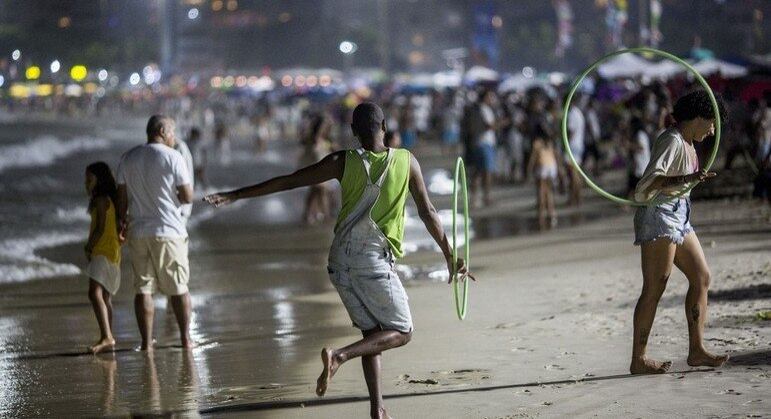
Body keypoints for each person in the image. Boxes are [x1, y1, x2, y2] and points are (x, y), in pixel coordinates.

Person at [204, 103, 473, 419]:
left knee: (372, 334)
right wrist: (449, 255)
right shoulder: (406, 161)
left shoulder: (342, 161)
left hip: (339, 261)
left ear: (354, 133)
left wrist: (235, 195)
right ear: (384, 126)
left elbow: (288, 180)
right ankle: (339, 356)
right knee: (402, 330)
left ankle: (378, 409)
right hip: (371, 260)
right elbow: (428, 212)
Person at [630, 90, 729, 374]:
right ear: (698, 117)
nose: (712, 131)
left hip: (679, 215)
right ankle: (638, 358)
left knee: (702, 277)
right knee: (655, 286)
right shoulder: (671, 140)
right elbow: (646, 184)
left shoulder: (688, 142)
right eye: (712, 123)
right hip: (658, 216)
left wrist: (688, 180)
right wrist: (687, 178)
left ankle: (697, 350)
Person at [117, 115, 195, 351]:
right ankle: (185, 339)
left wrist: (121, 223)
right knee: (179, 288)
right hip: (168, 230)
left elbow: (121, 199)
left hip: (138, 232)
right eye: (172, 132)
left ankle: (146, 342)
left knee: (143, 289)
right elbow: (187, 196)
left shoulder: (128, 158)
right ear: (162, 130)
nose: (174, 138)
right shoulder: (173, 157)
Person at [83, 162, 122, 354]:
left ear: (99, 179)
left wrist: (88, 247)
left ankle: (107, 336)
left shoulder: (100, 199)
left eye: (89, 178)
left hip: (102, 250)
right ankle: (108, 336)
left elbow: (99, 229)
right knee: (105, 296)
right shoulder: (111, 199)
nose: (86, 182)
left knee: (94, 293)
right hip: (112, 250)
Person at [300, 115, 334, 225]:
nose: (326, 128)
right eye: (323, 126)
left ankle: (308, 214)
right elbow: (309, 152)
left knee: (315, 192)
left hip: (323, 169)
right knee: (321, 191)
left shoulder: (325, 139)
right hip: (314, 169)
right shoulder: (312, 139)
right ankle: (326, 216)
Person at [527, 123, 559, 229]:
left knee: (541, 191)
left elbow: (533, 157)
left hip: (542, 165)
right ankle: (552, 213)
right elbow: (555, 154)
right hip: (551, 166)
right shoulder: (549, 142)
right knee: (549, 191)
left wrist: (529, 169)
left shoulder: (537, 143)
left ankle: (541, 214)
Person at [566, 98, 586, 206]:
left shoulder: (572, 114)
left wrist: (566, 146)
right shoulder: (579, 113)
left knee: (573, 174)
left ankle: (575, 198)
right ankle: (577, 198)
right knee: (576, 173)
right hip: (579, 145)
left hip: (572, 146)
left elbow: (571, 132)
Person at [627, 117, 651, 198]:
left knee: (634, 185)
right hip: (639, 166)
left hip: (641, 165)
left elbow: (641, 147)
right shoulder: (639, 134)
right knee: (633, 186)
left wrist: (629, 145)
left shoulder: (640, 134)